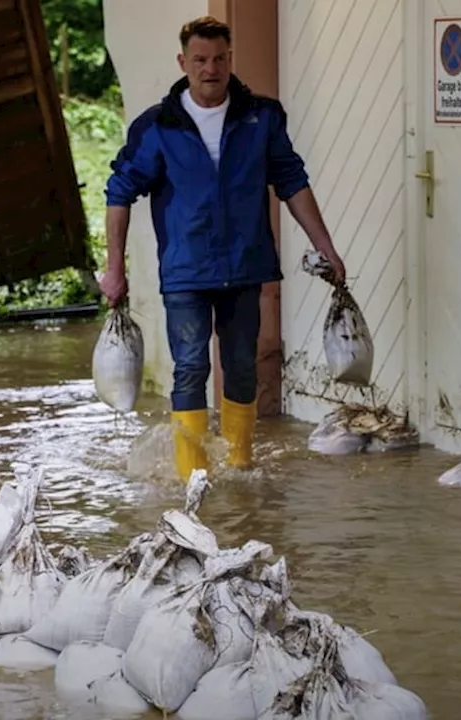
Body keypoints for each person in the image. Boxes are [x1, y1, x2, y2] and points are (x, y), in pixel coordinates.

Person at [99, 15, 347, 482]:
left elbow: (291, 181)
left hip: (245, 266)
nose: (209, 69)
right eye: (199, 60)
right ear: (182, 62)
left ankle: (239, 467)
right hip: (186, 271)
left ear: (230, 59)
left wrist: (325, 246)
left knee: (241, 367)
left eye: (218, 59)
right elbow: (118, 193)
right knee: (190, 368)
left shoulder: (262, 117)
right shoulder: (157, 127)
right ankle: (193, 479)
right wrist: (115, 269)